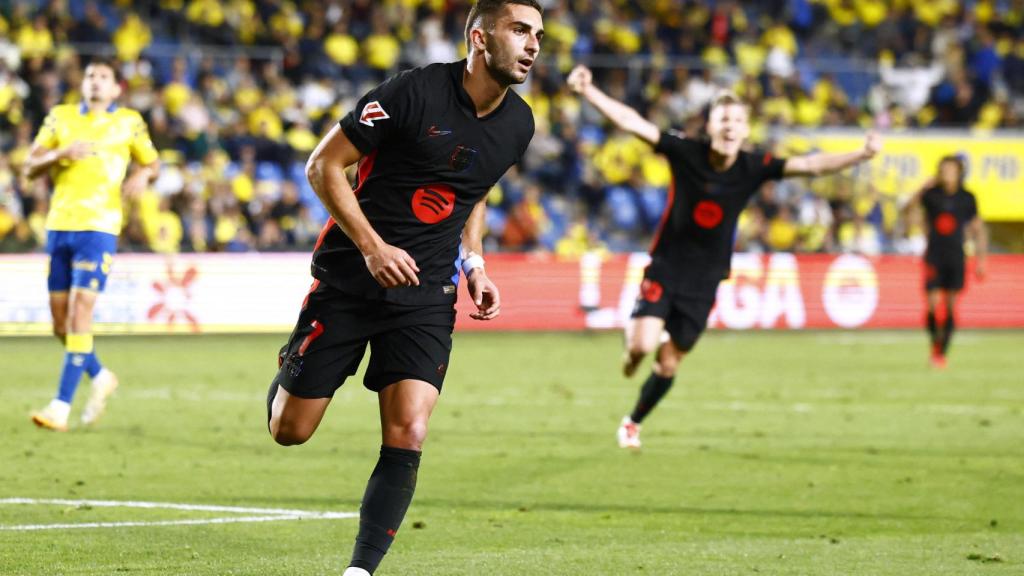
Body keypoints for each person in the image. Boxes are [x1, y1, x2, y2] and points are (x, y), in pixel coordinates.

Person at [265, 1, 543, 574]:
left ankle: (360, 569)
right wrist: (373, 247)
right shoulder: (412, 93)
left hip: (427, 293)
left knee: (409, 429)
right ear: (480, 37)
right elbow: (323, 166)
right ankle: (292, 362)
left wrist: (474, 263)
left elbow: (473, 189)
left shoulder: (520, 125)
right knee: (289, 431)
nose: (533, 44)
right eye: (519, 30)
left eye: (538, 34)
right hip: (351, 278)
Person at [566, 64, 882, 449]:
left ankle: (632, 423)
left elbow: (811, 165)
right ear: (710, 126)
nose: (730, 126)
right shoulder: (686, 151)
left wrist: (861, 154)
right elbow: (633, 122)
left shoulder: (754, 166)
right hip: (666, 266)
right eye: (723, 119)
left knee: (669, 362)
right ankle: (631, 353)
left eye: (737, 120)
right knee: (641, 348)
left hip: (706, 279)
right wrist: (589, 91)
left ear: (746, 131)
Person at [26, 58, 159, 432]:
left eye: (103, 77)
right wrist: (59, 154)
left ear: (116, 88)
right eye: (90, 76)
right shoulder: (60, 117)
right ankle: (100, 376)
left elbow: (153, 163)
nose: (96, 81)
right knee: (60, 325)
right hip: (59, 226)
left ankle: (60, 407)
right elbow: (30, 167)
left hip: (99, 227)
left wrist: (143, 176)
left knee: (79, 314)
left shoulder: (129, 121)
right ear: (82, 84)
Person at [905, 156, 987, 368]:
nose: (947, 174)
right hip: (934, 255)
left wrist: (981, 260)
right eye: (944, 170)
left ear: (959, 173)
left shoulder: (967, 198)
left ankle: (941, 352)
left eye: (951, 170)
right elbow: (907, 209)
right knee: (932, 305)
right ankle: (935, 344)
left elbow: (978, 228)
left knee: (950, 305)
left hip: (956, 256)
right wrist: (921, 189)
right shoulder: (931, 195)